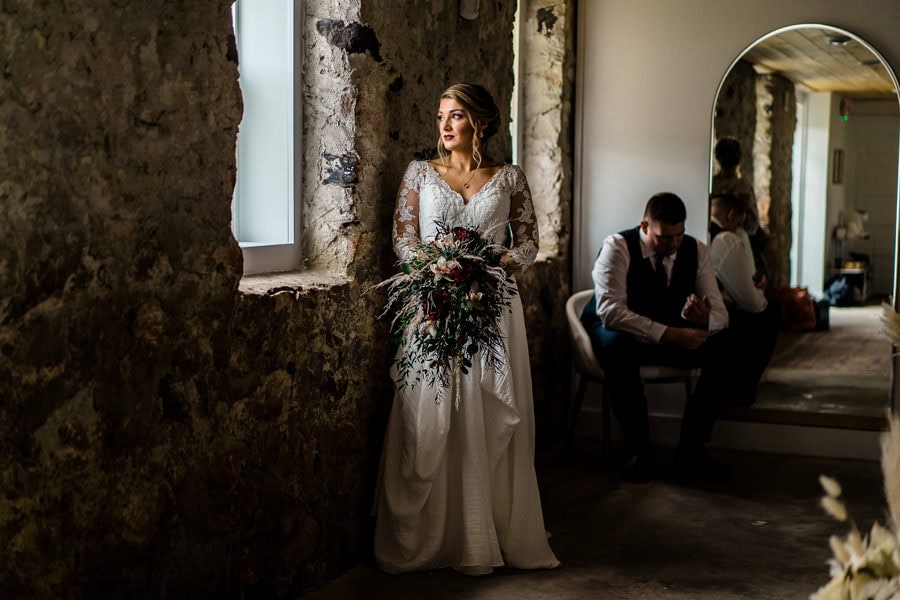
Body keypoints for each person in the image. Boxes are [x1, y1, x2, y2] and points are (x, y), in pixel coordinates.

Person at [374, 83, 559, 575]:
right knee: (429, 414)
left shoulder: (509, 178)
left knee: (487, 408)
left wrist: (497, 261)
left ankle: (484, 534)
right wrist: (440, 268)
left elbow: (529, 243)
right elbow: (404, 241)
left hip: (494, 309)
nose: (445, 126)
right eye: (440, 117)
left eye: (456, 116)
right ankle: (428, 537)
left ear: (479, 121)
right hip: (434, 305)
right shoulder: (419, 174)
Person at [580, 192, 733, 483]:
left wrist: (705, 319)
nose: (673, 244)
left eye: (678, 235)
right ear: (645, 226)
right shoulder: (618, 246)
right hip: (616, 331)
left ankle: (691, 449)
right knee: (617, 348)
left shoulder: (696, 250)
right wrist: (671, 334)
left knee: (723, 346)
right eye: (664, 238)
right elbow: (611, 312)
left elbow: (721, 314)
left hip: (665, 336)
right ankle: (638, 453)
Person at [708, 192, 778, 406]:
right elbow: (752, 303)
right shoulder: (726, 239)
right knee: (767, 316)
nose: (739, 231)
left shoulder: (700, 231)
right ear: (731, 215)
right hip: (711, 318)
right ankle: (741, 392)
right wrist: (760, 295)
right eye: (738, 224)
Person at [711, 136, 768, 275]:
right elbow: (753, 226)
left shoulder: (711, 185)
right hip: (738, 245)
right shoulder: (744, 187)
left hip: (712, 243)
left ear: (717, 158)